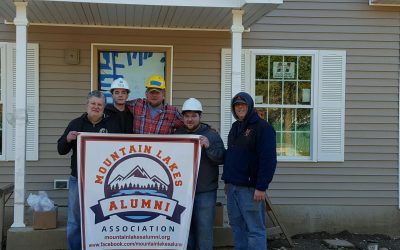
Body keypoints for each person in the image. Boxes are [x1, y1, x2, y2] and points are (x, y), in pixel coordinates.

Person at [57, 90, 123, 250]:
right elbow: (61, 149)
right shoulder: (75, 124)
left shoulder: (112, 125)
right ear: (87, 105)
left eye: (99, 104)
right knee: (74, 220)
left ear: (104, 107)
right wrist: (68, 139)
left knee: (103, 217)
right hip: (78, 179)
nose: (96, 107)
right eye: (93, 103)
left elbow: (120, 148)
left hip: (103, 181)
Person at [222, 92, 277, 250]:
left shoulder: (263, 128)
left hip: (250, 189)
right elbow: (232, 155)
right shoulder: (235, 127)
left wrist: (261, 186)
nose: (239, 107)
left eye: (243, 104)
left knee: (254, 230)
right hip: (232, 188)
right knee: (237, 227)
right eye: (237, 105)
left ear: (250, 106)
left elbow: (268, 160)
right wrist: (227, 180)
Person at [174, 98, 225, 250]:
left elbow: (221, 158)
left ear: (200, 116)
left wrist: (209, 147)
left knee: (204, 231)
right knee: (185, 231)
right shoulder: (177, 134)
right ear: (182, 117)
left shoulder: (212, 134)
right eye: (186, 116)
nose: (189, 119)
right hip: (183, 191)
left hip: (205, 191)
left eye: (193, 116)